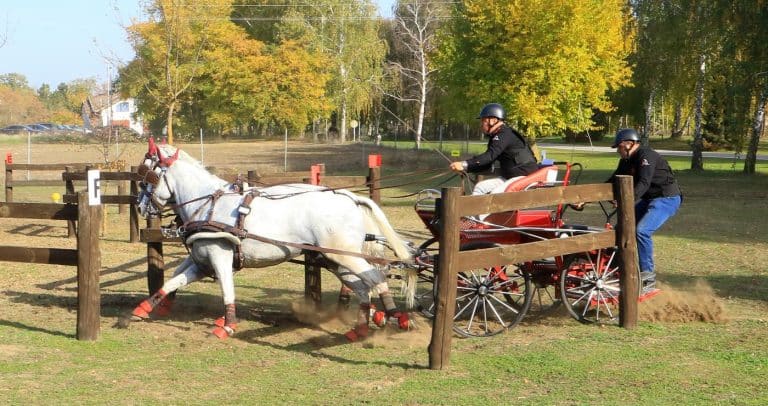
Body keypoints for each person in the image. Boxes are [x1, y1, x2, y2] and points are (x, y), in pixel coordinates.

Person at [606, 128, 682, 288]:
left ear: (629, 144)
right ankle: (614, 268)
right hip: (648, 200)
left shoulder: (646, 155)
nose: (618, 151)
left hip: (666, 198)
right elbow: (612, 180)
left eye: (619, 147)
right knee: (621, 228)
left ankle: (648, 276)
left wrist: (625, 201)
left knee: (641, 231)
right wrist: (584, 200)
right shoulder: (626, 161)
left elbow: (644, 183)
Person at [449, 103, 539, 195]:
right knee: (480, 187)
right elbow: (487, 162)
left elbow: (489, 156)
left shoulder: (504, 134)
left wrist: (464, 164)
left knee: (495, 194)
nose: (481, 125)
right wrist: (466, 168)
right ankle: (475, 209)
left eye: (483, 121)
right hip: (511, 177)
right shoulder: (497, 136)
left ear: (493, 120)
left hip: (525, 176)